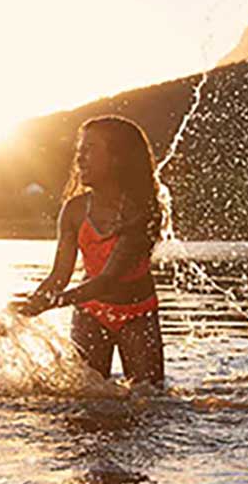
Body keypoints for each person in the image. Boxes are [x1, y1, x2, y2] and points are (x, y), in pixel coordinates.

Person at [13, 116, 165, 386]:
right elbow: (59, 276)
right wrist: (29, 307)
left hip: (138, 314)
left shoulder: (143, 213)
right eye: (79, 150)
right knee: (87, 397)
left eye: (90, 149)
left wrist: (53, 302)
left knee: (149, 398)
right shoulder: (74, 210)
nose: (80, 158)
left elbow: (108, 280)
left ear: (118, 159)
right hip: (90, 313)